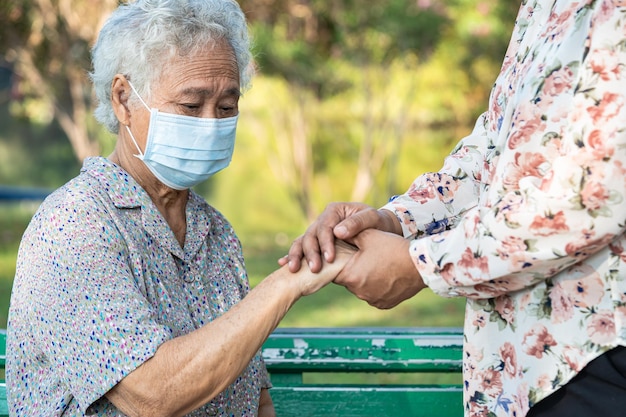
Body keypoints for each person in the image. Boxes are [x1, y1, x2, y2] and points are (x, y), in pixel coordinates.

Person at [5, 1, 355, 416]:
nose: (211, 124)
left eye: (227, 107)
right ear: (123, 99)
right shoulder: (73, 225)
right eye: (191, 106)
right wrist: (289, 282)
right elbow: (154, 395)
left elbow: (253, 396)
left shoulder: (214, 231)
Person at [281, 1, 626, 416]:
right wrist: (395, 220)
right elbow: (498, 150)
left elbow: (588, 197)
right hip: (521, 374)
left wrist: (420, 264)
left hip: (596, 360)